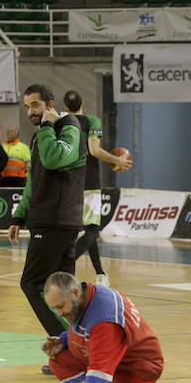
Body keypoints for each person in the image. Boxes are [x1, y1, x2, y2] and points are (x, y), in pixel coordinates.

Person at [8, 83, 88, 372]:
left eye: (36, 106)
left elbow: (55, 159)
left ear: (50, 105)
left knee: (32, 284)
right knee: (67, 292)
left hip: (56, 220)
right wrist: (19, 215)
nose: (31, 111)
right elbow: (35, 180)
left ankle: (69, 346)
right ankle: (81, 351)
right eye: (27, 106)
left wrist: (47, 127)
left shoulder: (69, 126)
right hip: (51, 219)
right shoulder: (40, 134)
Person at [41, 271, 177, 383]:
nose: (58, 313)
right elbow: (89, 331)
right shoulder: (85, 297)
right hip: (116, 358)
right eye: (54, 308)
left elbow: (101, 368)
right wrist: (64, 340)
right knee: (59, 358)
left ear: (76, 293)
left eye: (60, 306)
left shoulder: (105, 321)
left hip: (137, 368)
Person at [63, 89, 132, 286]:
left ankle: (100, 273)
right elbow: (94, 150)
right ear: (83, 102)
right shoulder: (92, 121)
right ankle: (66, 264)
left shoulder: (61, 124)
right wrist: (116, 159)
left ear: (66, 107)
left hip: (68, 184)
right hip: (89, 183)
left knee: (82, 230)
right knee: (93, 230)